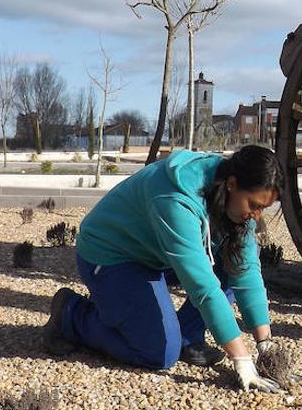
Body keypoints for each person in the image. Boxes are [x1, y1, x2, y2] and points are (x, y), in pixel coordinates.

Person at [42, 145, 283, 393]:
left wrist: (264, 342)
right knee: (158, 353)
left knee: (233, 261)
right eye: (254, 205)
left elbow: (246, 271)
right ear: (232, 183)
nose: (256, 216)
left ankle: (188, 338)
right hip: (112, 256)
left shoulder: (232, 198)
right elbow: (202, 286)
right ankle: (72, 314)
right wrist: (241, 359)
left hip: (157, 253)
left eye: (263, 208)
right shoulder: (176, 198)